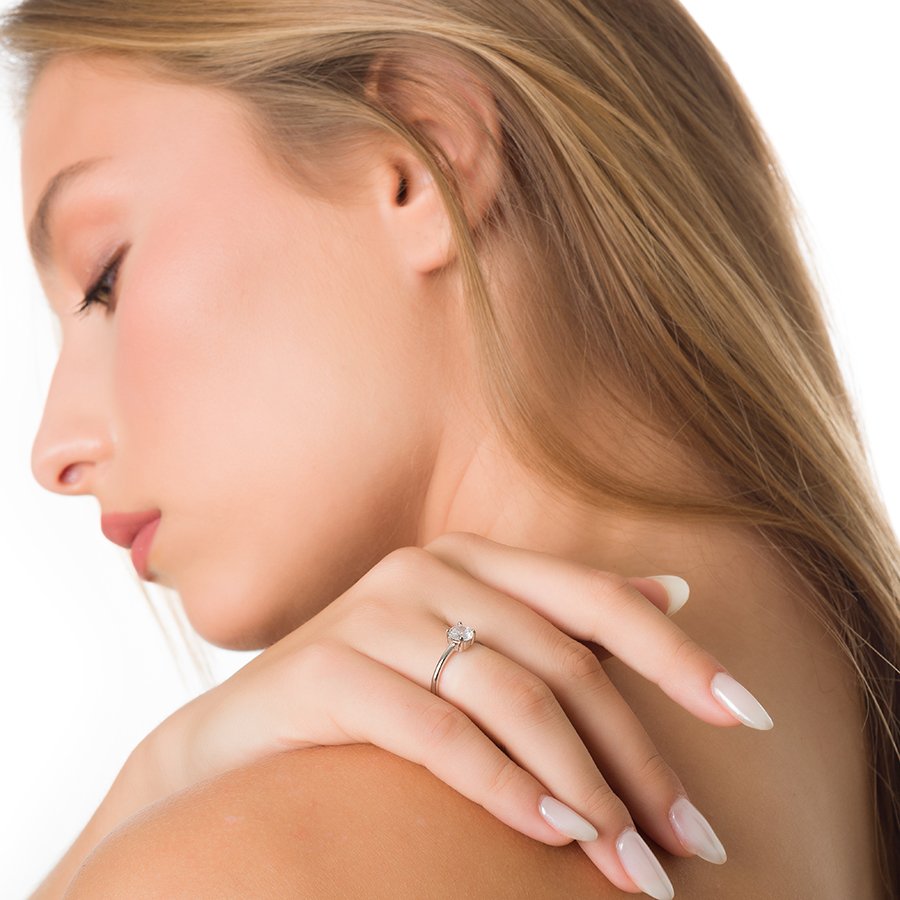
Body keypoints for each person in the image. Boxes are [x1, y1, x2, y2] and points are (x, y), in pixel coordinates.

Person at [2, 1, 896, 897]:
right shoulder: (847, 737)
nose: (54, 452)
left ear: (422, 153)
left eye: (104, 278)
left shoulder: (243, 868)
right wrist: (160, 772)